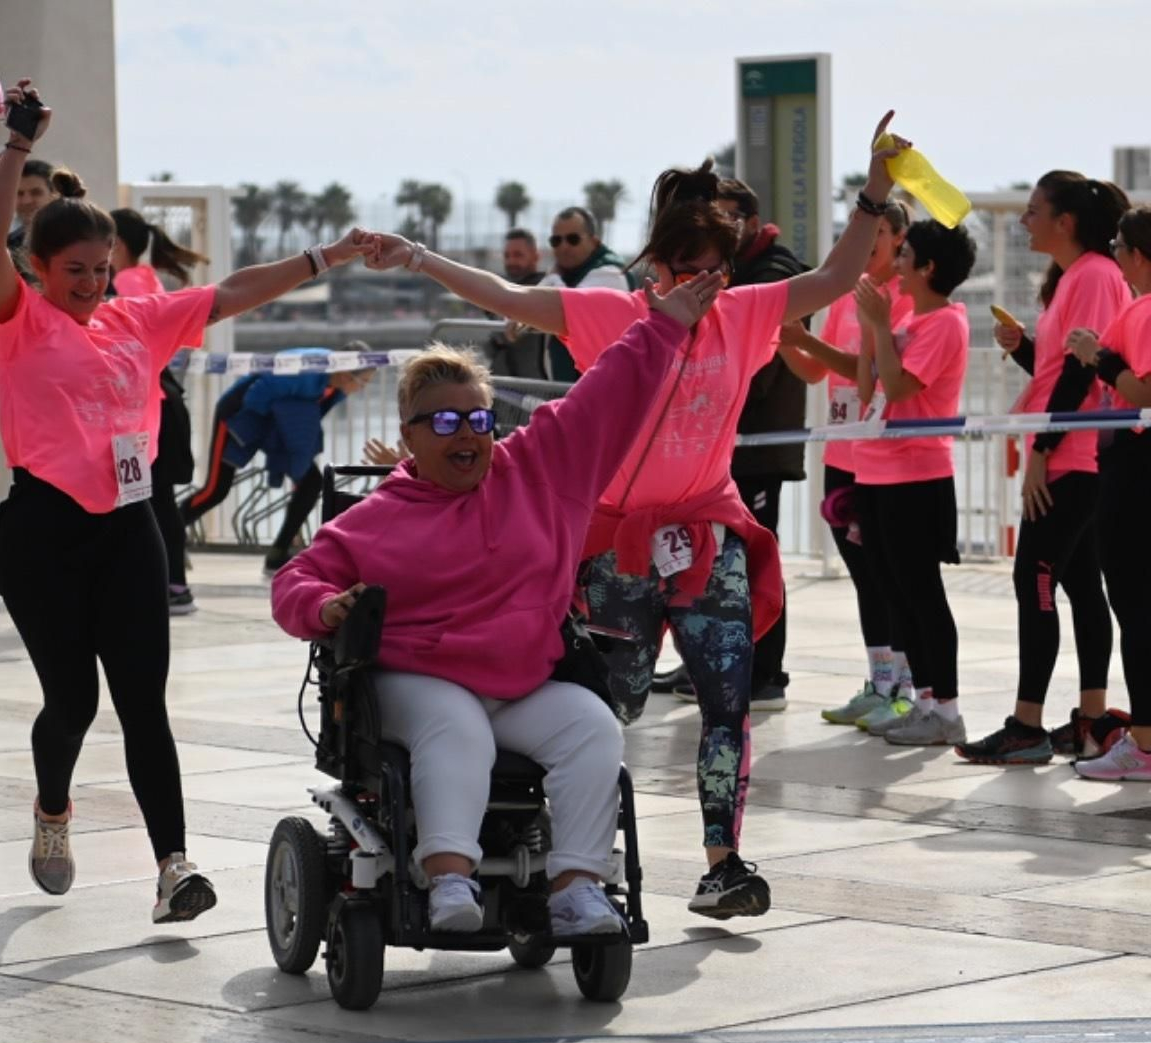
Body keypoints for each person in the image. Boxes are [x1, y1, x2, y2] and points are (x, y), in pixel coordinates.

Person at [356, 112, 908, 919]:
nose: (701, 286)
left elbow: (828, 281)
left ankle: (724, 863)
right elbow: (507, 294)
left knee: (728, 702)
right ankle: (565, 853)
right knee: (606, 712)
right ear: (657, 267)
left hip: (705, 534)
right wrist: (416, 256)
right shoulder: (613, 317)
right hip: (616, 547)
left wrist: (874, 192)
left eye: (714, 271)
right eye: (685, 271)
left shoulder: (747, 313)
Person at [0, 79, 368, 922]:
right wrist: (15, 145)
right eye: (73, 272)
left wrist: (327, 257)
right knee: (72, 701)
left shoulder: (136, 321)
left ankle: (173, 867)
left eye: (101, 271)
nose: (89, 284)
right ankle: (52, 811)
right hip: (42, 531)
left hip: (128, 528)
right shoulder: (20, 322)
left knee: (144, 703)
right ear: (38, 271)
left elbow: (231, 293)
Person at [273, 277, 718, 934]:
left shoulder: (541, 470)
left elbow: (605, 397)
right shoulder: (373, 520)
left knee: (593, 728)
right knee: (457, 727)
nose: (468, 435)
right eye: (446, 422)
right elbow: (295, 580)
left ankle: (575, 886)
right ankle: (449, 878)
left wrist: (665, 325)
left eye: (479, 419)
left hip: (518, 680)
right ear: (410, 437)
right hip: (417, 679)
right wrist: (325, 605)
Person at [957, 173, 1130, 765]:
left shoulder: (1097, 277)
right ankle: (1091, 718)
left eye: (1034, 212)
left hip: (1077, 455)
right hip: (1072, 448)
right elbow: (1060, 370)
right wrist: (1023, 347)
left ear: (1066, 222)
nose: (1026, 221)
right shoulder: (1074, 279)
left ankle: (1027, 726)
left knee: (1033, 576)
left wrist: (1041, 451)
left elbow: (1087, 373)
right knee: (1081, 587)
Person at [672, 178, 813, 713]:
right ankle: (708, 658)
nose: (720, 228)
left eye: (728, 219)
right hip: (724, 451)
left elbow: (745, 340)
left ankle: (765, 673)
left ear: (752, 221)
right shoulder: (731, 271)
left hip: (759, 447)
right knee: (713, 564)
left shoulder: (773, 269)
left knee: (756, 562)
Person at [779, 201, 916, 728]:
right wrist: (783, 339)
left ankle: (906, 684)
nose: (872, 242)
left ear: (900, 238)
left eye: (881, 232)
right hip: (841, 452)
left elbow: (878, 373)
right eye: (865, 233)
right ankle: (879, 679)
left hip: (881, 457)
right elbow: (816, 370)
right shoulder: (846, 293)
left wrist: (804, 339)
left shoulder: (901, 299)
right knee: (864, 575)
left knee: (890, 573)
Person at [852, 220, 978, 747]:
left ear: (928, 267)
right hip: (878, 470)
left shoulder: (945, 323)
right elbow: (868, 389)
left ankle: (946, 709)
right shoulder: (907, 319)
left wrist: (880, 326)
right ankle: (924, 700)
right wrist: (870, 328)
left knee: (922, 593)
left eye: (905, 253)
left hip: (917, 475)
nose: (896, 260)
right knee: (895, 593)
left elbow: (900, 388)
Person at [1064, 206, 1151, 779]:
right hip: (1131, 469)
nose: (1114, 255)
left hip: (1135, 470)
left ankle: (1142, 746)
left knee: (1136, 607)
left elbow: (1141, 391)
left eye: (1120, 245)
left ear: (1139, 255)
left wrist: (1101, 355)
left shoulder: (1143, 309)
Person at [180, 353, 377, 577]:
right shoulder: (305, 374)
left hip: (275, 428)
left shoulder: (334, 390)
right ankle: (170, 534)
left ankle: (278, 553)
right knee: (216, 489)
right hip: (238, 417)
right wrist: (272, 430)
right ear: (344, 373)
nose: (362, 388)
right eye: (363, 381)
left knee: (311, 483)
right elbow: (256, 396)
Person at [109, 207, 209, 615]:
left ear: (116, 244)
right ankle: (169, 583)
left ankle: (167, 585)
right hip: (159, 407)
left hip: (148, 413)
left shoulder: (125, 285)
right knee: (156, 500)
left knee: (144, 501)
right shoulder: (143, 279)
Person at [535, 207, 631, 382]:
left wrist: (553, 276)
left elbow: (565, 308)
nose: (563, 247)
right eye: (556, 241)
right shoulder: (566, 273)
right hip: (573, 390)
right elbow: (528, 305)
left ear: (594, 242)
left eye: (573, 239)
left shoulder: (610, 273)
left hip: (603, 390)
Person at [489, 228, 546, 379]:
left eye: (518, 255)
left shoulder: (544, 291)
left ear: (536, 256)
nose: (511, 261)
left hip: (536, 388)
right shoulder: (504, 291)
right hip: (507, 389)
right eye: (507, 256)